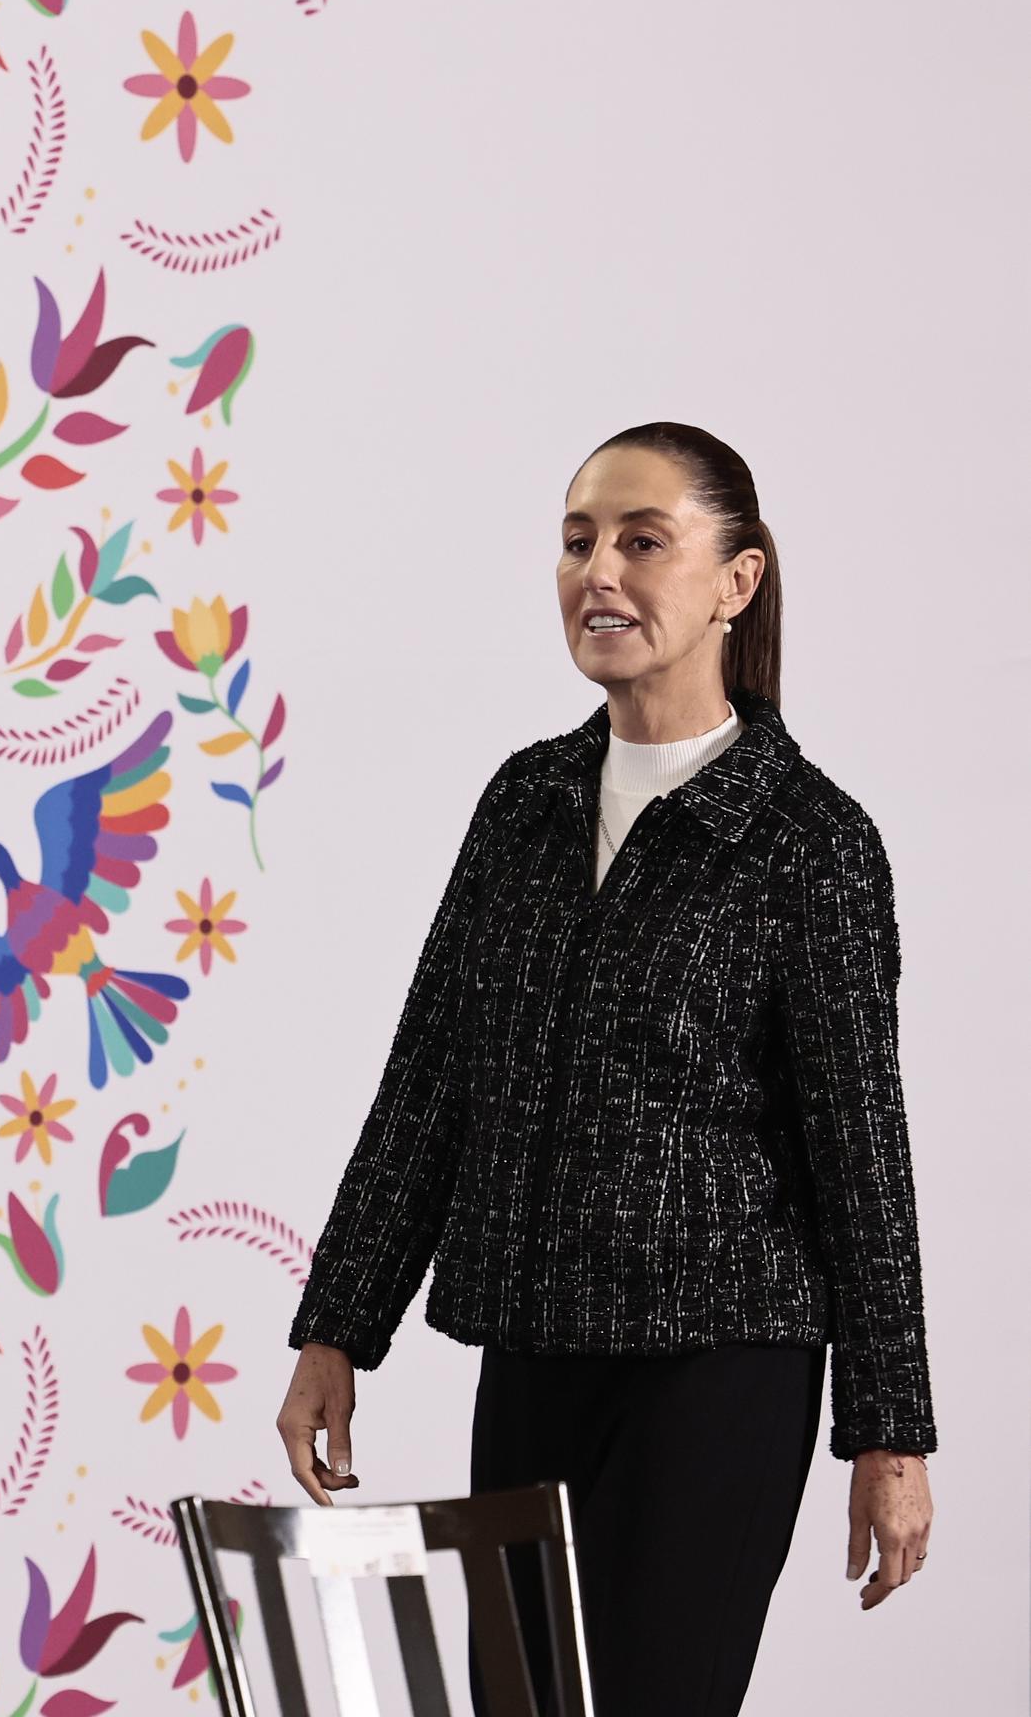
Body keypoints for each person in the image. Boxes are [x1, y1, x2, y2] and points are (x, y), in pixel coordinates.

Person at [277, 422, 937, 1716]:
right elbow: (430, 1083)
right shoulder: (523, 803)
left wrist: (890, 1430)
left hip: (720, 1367)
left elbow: (862, 1152)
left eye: (644, 541)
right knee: (518, 1705)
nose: (601, 574)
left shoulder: (809, 842)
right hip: (532, 1350)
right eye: (579, 541)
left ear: (733, 583)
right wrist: (335, 1330)